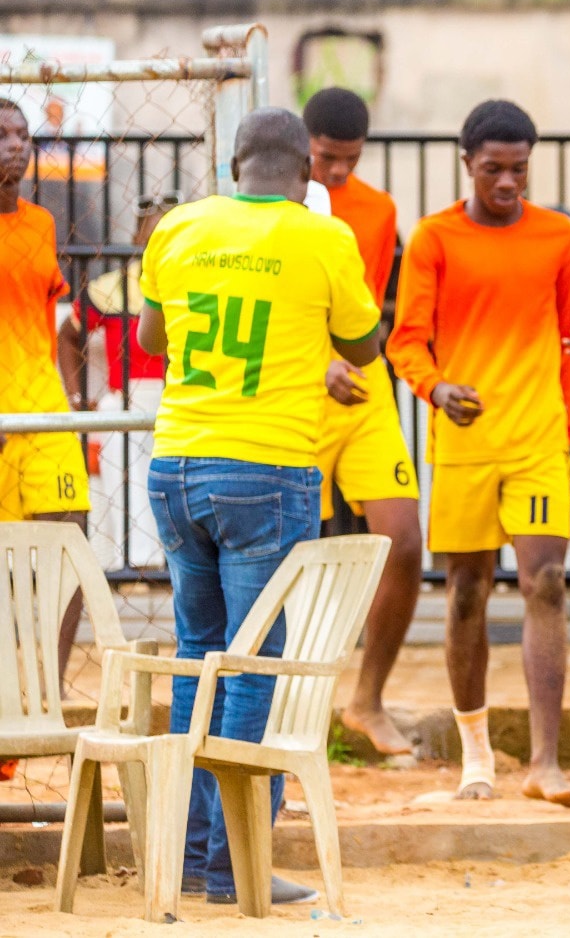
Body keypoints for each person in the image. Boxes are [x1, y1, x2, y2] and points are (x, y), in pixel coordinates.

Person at [136, 107, 381, 906]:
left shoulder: (178, 227)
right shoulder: (323, 238)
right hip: (266, 469)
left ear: (231, 165)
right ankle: (233, 866)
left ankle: (183, 854)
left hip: (175, 463)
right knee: (251, 665)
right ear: (307, 171)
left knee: (194, 657)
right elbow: (363, 346)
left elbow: (149, 338)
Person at [388, 100, 570, 802]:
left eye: (520, 169)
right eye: (494, 169)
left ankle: (545, 761)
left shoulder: (561, 237)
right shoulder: (434, 238)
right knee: (467, 592)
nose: (508, 182)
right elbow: (404, 339)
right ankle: (477, 755)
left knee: (542, 584)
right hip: (466, 438)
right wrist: (436, 389)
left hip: (536, 436)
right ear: (467, 164)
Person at [301, 87, 424, 758]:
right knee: (292, 557)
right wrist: (317, 362)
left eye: (350, 158)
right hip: (295, 381)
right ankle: (290, 714)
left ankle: (367, 699)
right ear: (304, 146)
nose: (339, 171)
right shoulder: (279, 205)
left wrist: (355, 360)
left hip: (362, 379)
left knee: (403, 538)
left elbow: (366, 308)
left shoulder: (379, 210)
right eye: (326, 157)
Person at [0, 97, 92, 682]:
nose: (15, 144)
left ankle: (47, 693)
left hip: (43, 411)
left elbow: (54, 314)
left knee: (70, 547)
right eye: (1, 134)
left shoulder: (40, 223)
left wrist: (75, 392)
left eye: (22, 134)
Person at [58, 191, 171, 572]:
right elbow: (68, 335)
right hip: (128, 395)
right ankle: (136, 563)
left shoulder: (192, 282)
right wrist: (76, 395)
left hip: (177, 397)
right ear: (137, 240)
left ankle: (166, 562)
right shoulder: (113, 287)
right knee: (128, 475)